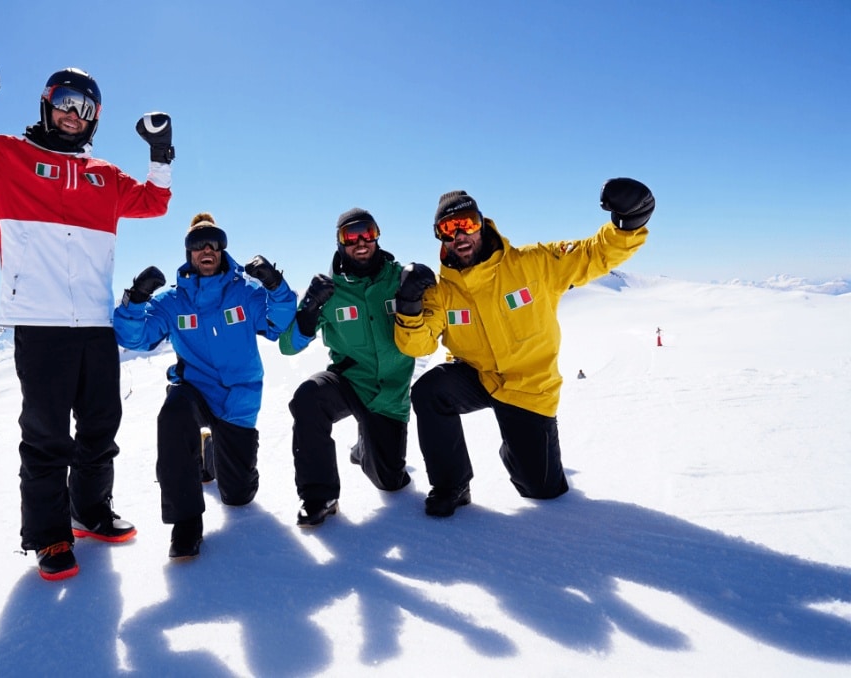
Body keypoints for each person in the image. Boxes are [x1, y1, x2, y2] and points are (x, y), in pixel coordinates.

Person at [0, 54, 175, 581]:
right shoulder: (8, 156)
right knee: (48, 435)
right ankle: (49, 535)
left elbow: (155, 203)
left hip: (96, 325)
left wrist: (161, 153)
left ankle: (90, 511)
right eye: (63, 103)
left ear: (95, 116)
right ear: (47, 106)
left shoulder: (106, 177)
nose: (73, 113)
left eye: (85, 106)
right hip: (39, 322)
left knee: (101, 426)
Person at [393, 178, 654, 517]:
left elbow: (593, 254)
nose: (459, 235)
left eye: (467, 223)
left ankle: (517, 445)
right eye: (448, 228)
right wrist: (409, 305)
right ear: (440, 236)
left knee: (542, 490)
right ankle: (451, 485)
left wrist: (629, 222)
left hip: (527, 388)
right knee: (430, 390)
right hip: (476, 375)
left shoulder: (533, 263)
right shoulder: (442, 292)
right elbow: (419, 345)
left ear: (482, 225)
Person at [113, 213, 297, 559]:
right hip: (194, 389)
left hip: (237, 399)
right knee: (173, 415)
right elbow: (135, 338)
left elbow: (278, 323)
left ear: (223, 249)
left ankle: (210, 451)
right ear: (189, 253)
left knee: (238, 496)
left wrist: (275, 285)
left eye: (213, 242)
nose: (206, 249)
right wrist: (134, 300)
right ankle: (186, 523)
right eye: (198, 244)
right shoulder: (172, 301)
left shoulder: (245, 291)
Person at [279, 208, 415, 527]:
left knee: (390, 482)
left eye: (367, 232)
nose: (360, 241)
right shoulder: (330, 290)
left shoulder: (399, 279)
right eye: (350, 236)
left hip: (390, 395)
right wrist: (310, 309)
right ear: (340, 243)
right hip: (348, 381)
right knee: (308, 397)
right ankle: (318, 496)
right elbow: (288, 346)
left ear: (377, 235)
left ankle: (362, 447)